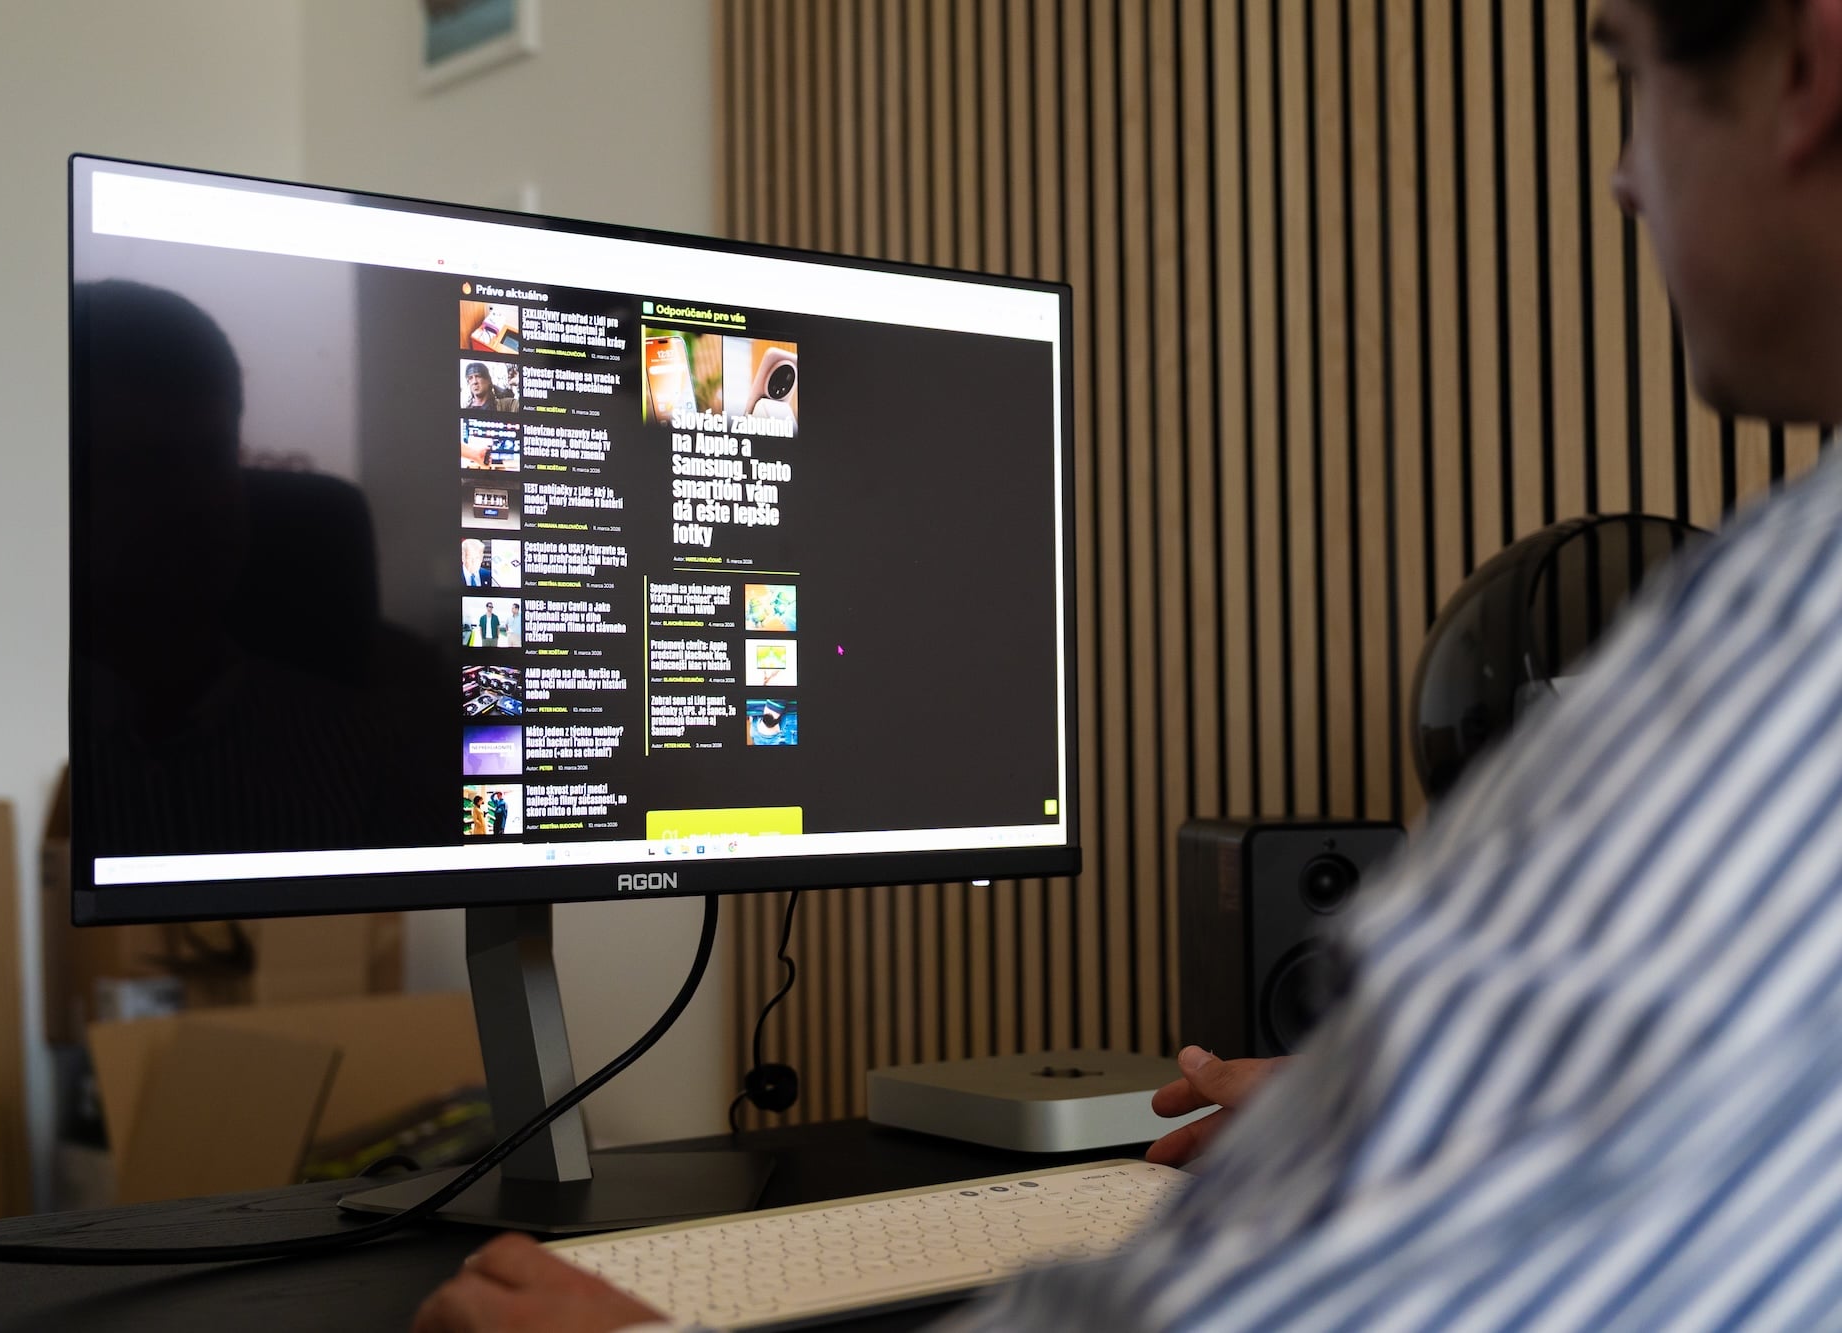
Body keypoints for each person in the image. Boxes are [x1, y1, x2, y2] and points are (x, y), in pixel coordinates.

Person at [414, 0, 1842, 1327]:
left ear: (1809, 68)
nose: (1624, 177)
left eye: (1628, 76)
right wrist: (1409, 1113)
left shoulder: (1785, 640)